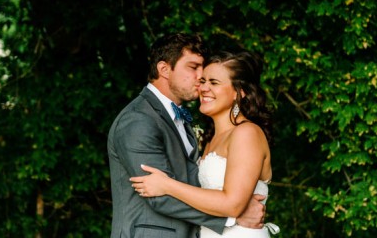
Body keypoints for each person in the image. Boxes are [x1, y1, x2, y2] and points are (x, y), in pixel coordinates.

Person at [108, 34, 266, 238]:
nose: (201, 77)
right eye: (193, 67)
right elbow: (159, 197)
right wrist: (233, 216)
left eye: (204, 68)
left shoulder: (183, 119)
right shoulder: (138, 120)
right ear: (164, 69)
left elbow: (191, 184)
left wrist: (233, 203)